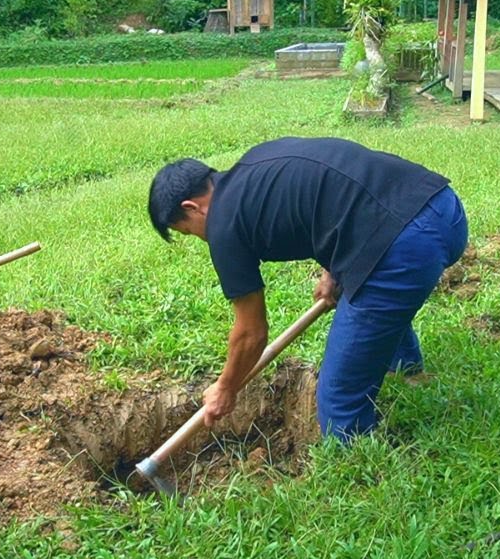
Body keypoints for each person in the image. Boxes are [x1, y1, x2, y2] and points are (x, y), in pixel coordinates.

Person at [147, 137, 468, 442]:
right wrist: (333, 269)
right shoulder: (257, 162)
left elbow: (251, 333)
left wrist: (226, 387)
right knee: (376, 300)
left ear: (192, 207)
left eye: (189, 232)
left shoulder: (224, 227)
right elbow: (327, 192)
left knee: (339, 398)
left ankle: (357, 467)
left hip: (407, 246)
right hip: (443, 209)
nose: (201, 238)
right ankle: (407, 375)